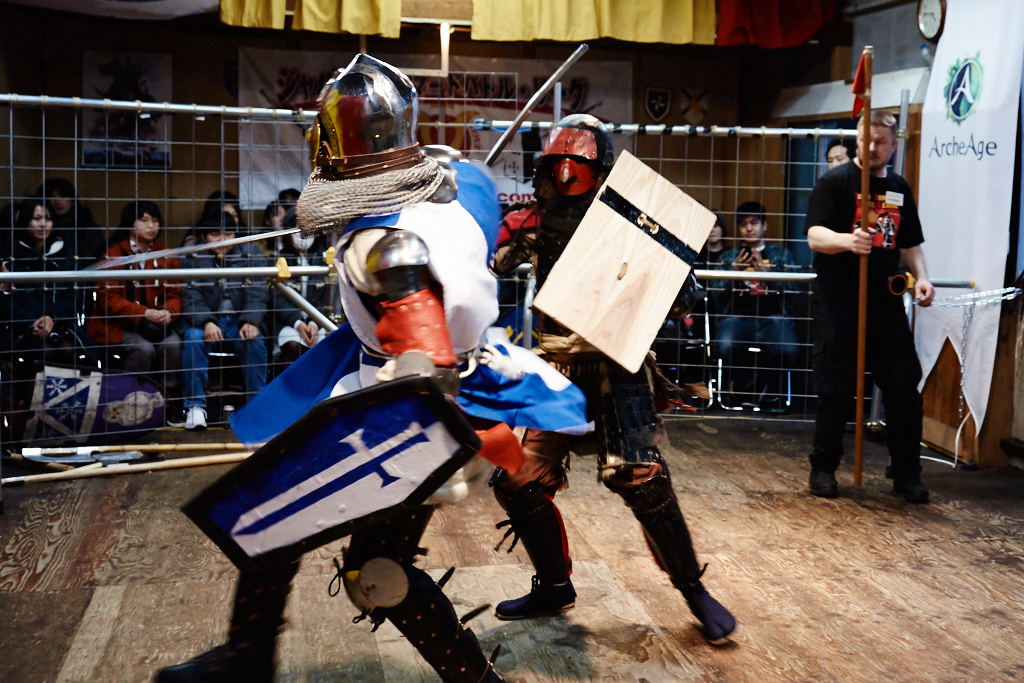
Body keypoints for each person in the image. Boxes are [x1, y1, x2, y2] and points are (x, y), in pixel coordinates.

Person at [156, 54, 591, 683]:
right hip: (456, 385)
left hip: (411, 404)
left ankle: (248, 660)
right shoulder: (458, 190)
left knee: (290, 521)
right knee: (370, 566)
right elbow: (470, 208)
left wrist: (444, 435)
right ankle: (251, 657)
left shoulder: (380, 243)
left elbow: (424, 353)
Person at [490, 114, 736, 644]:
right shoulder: (532, 222)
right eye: (559, 163)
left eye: (576, 163)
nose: (567, 173)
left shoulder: (634, 221)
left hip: (617, 368)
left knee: (642, 479)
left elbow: (684, 298)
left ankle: (693, 589)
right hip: (557, 368)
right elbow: (487, 268)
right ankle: (554, 585)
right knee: (517, 478)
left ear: (600, 169)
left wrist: (664, 267)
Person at [804, 111, 934, 503]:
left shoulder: (899, 188)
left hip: (885, 302)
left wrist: (923, 277)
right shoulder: (835, 182)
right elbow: (815, 235)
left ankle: (906, 473)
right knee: (836, 387)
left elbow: (909, 243)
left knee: (903, 386)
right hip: (839, 299)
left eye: (880, 142)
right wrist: (848, 241)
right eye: (866, 140)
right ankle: (823, 468)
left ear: (893, 145)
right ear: (857, 140)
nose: (872, 148)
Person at [87, 201, 184, 414]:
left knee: (174, 345)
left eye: (155, 221)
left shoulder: (166, 254)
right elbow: (107, 300)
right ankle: (128, 402)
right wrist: (144, 313)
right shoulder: (114, 254)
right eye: (144, 220)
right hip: (119, 326)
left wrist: (169, 311)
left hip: (157, 323)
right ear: (131, 225)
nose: (152, 226)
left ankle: (167, 405)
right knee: (143, 349)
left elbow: (176, 293)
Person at [179, 214, 269, 430]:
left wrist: (250, 320)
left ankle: (257, 405)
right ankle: (195, 407)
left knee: (254, 342)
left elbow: (258, 292)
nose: (222, 239)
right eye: (215, 234)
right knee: (193, 339)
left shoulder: (250, 252)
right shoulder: (192, 256)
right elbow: (190, 295)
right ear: (203, 236)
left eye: (228, 234)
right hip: (206, 322)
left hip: (239, 321)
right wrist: (206, 322)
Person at [710, 201, 801, 406]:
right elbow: (715, 294)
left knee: (789, 349)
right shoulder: (728, 256)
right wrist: (734, 272)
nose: (749, 228)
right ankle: (746, 384)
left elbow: (794, 289)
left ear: (764, 225)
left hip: (773, 318)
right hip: (737, 317)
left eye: (754, 223)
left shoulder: (782, 255)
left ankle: (762, 383)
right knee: (725, 346)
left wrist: (766, 273)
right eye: (743, 224)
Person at [0, 197, 85, 406]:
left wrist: (51, 317)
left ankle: (63, 407)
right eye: (36, 218)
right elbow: (6, 301)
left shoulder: (66, 255)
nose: (43, 224)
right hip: (21, 326)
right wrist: (33, 323)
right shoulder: (9, 256)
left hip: (59, 324)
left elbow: (72, 297)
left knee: (68, 349)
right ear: (24, 221)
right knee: (42, 350)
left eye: (47, 218)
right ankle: (29, 406)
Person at [269, 229, 329, 371]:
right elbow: (276, 299)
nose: (303, 237)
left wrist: (315, 322)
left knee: (325, 346)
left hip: (318, 320)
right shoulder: (277, 258)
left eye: (308, 232)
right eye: (298, 232)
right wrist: (297, 322)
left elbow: (327, 298)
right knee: (293, 346)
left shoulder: (324, 259)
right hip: (287, 322)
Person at [38, 178, 104, 261]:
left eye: (63, 196)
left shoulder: (89, 228)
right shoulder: (43, 226)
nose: (58, 201)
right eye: (52, 197)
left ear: (72, 200)